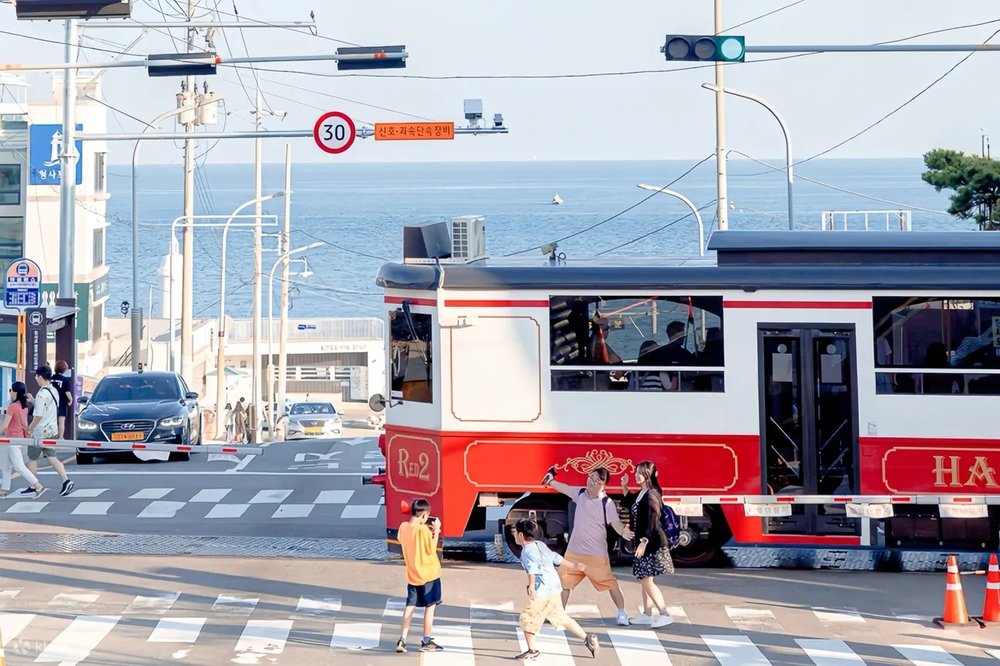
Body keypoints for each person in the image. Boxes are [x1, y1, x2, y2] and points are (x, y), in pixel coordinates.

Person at [541, 466, 634, 626]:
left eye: (595, 480)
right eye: (590, 477)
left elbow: (616, 523)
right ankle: (559, 614)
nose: (590, 481)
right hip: (574, 552)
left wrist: (624, 533)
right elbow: (565, 488)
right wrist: (551, 481)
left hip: (596, 555)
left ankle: (622, 613)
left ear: (603, 484)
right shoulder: (580, 494)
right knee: (563, 582)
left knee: (610, 583)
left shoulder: (607, 503)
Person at [513, 518, 599, 661]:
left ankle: (532, 650)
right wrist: (574, 566)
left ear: (521, 535)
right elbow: (555, 558)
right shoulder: (540, 544)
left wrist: (531, 585)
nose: (515, 535)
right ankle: (588, 638)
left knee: (528, 619)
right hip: (554, 588)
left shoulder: (527, 552)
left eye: (515, 532)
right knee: (561, 617)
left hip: (543, 592)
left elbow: (532, 569)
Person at [620, 461, 673, 627]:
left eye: (640, 473)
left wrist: (644, 541)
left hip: (652, 543)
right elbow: (631, 502)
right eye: (636, 472)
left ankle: (664, 613)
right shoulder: (642, 492)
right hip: (646, 542)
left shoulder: (651, 494)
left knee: (646, 580)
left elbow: (652, 520)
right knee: (645, 577)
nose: (637, 475)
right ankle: (647, 613)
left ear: (648, 475)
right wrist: (624, 486)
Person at [396, 498, 444, 654]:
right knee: (430, 607)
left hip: (412, 575)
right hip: (429, 574)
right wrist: (436, 530)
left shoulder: (403, 527)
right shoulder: (423, 530)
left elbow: (402, 539)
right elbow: (431, 549)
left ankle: (402, 640)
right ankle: (426, 640)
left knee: (409, 607)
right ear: (424, 515)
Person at [26, 366, 74, 497]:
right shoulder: (53, 390)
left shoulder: (41, 394)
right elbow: (47, 407)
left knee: (32, 458)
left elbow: (38, 416)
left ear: (41, 377)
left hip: (40, 432)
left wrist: (29, 428)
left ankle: (33, 484)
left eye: (36, 376)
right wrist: (34, 401)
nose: (35, 378)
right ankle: (66, 480)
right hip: (52, 430)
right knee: (52, 457)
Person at [0, 382, 45, 498]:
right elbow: (24, 425)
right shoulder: (23, 407)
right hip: (16, 439)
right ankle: (4, 489)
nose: (10, 392)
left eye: (11, 390)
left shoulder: (12, 407)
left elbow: (5, 426)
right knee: (5, 465)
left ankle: (37, 485)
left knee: (19, 466)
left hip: (12, 440)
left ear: (15, 392)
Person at [51, 360, 74, 439]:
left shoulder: (51, 379)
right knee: (61, 422)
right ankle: (60, 437)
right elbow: (67, 392)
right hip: (62, 403)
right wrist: (70, 399)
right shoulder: (65, 380)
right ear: (64, 369)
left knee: (52, 421)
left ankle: (51, 436)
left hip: (51, 403)